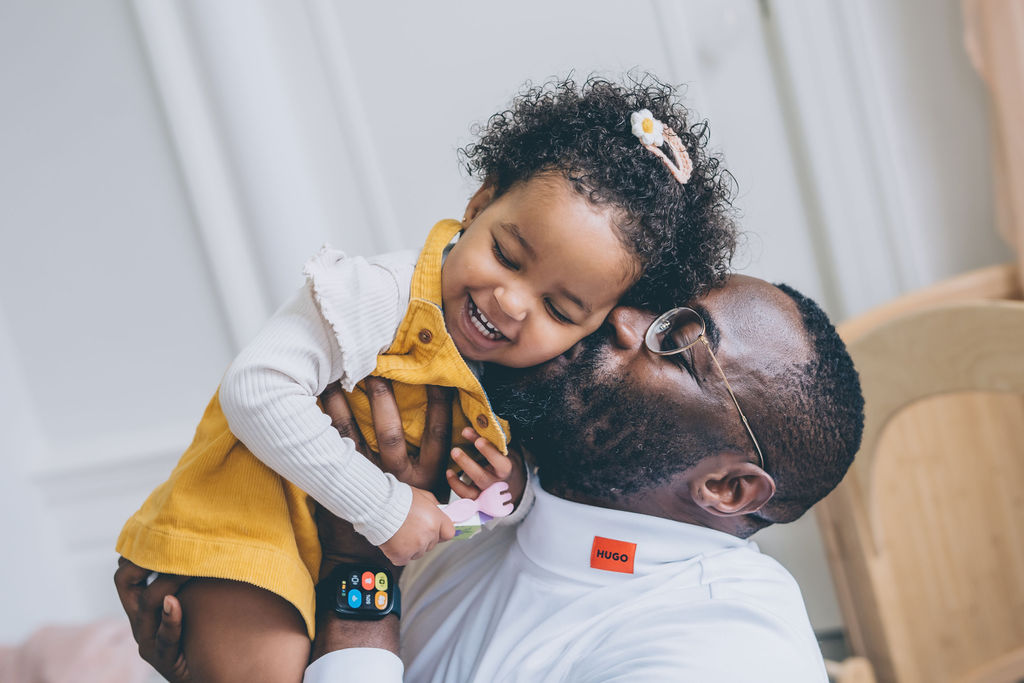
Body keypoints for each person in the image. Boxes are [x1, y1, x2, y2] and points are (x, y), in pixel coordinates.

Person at [114, 76, 739, 681]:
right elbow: (254, 389)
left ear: (599, 326)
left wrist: (509, 489)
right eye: (507, 256)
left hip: (332, 569)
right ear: (478, 204)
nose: (512, 303)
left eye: (559, 309)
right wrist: (383, 508)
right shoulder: (373, 294)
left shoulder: (533, 381)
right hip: (248, 521)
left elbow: (490, 512)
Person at [117, 274, 865, 682]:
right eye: (658, 297)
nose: (624, 318)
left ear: (728, 490)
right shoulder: (497, 478)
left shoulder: (722, 653)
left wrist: (359, 569)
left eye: (679, 339)